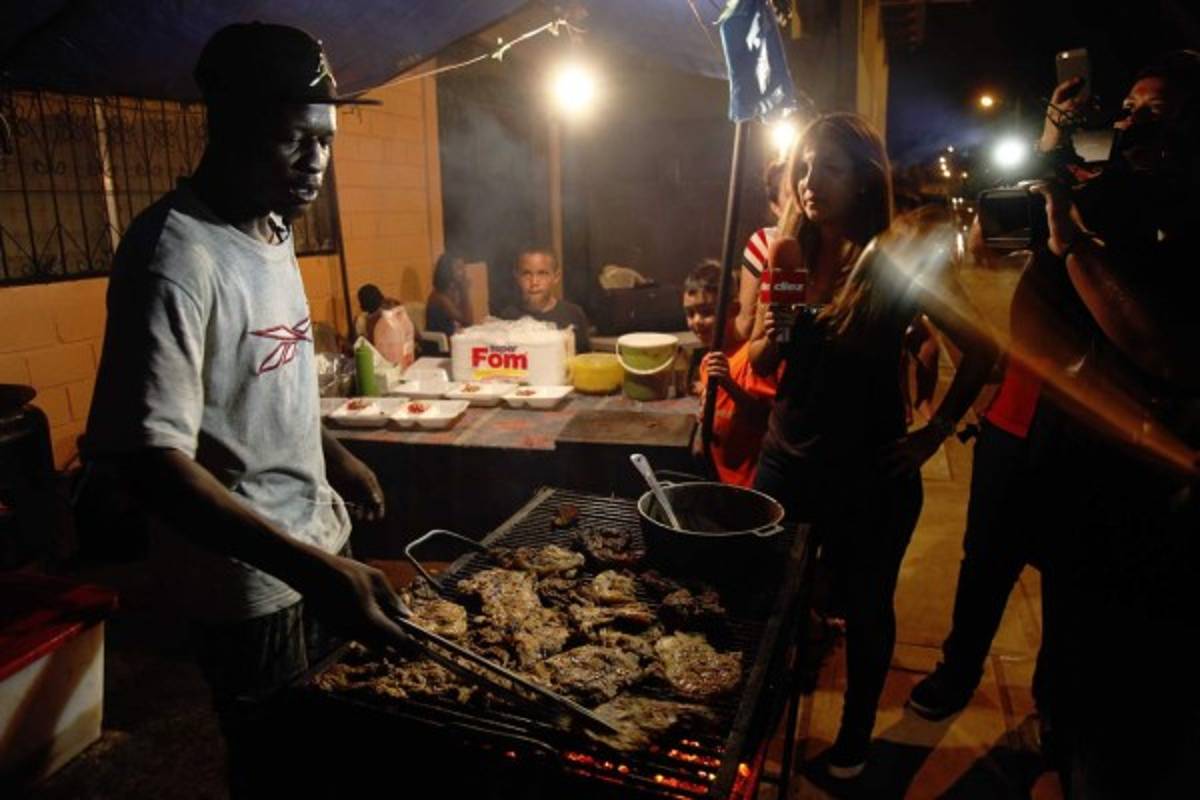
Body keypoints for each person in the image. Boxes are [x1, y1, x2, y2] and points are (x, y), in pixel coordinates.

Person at [83, 23, 411, 796]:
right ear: (229, 125)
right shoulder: (174, 256)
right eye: (294, 140)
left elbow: (269, 378)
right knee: (278, 766)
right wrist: (317, 572)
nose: (316, 164)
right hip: (251, 585)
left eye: (326, 142)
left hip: (318, 548)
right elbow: (150, 463)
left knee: (340, 747)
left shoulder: (271, 228)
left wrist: (335, 455)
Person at [747, 113, 998, 779]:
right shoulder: (788, 252)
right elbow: (764, 363)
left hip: (868, 474)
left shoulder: (892, 258)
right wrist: (773, 330)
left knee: (865, 610)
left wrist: (933, 436)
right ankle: (756, 719)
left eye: (826, 168)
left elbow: (982, 348)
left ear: (863, 179)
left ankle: (854, 744)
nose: (808, 182)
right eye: (803, 167)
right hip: (786, 459)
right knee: (764, 596)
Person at [1001, 51, 1200, 796]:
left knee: (1126, 698)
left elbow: (1167, 350)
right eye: (1127, 107)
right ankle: (1061, 737)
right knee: (1070, 643)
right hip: (1078, 473)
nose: (1128, 119)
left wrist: (1071, 246)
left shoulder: (1183, 218)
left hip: (1147, 499)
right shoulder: (1121, 190)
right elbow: (1046, 204)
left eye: (1154, 110)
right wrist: (1056, 138)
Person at [683, 260, 777, 487]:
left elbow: (765, 420)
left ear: (733, 310)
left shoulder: (752, 359)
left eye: (706, 312)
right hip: (718, 478)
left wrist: (729, 384)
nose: (696, 321)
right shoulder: (708, 360)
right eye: (690, 312)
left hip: (747, 485)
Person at [734, 159, 789, 342]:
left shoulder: (831, 242)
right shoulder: (765, 243)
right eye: (790, 195)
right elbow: (746, 325)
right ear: (775, 207)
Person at [499, 246, 592, 353]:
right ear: (517, 277)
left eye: (542, 273)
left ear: (556, 277)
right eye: (526, 274)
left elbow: (584, 360)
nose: (534, 282)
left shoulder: (573, 314)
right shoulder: (508, 317)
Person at [424, 252, 473, 338]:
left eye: (463, 267)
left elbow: (467, 323)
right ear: (447, 271)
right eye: (459, 268)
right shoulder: (439, 297)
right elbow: (467, 321)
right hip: (439, 346)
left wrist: (462, 291)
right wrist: (465, 291)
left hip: (453, 340)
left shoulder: (453, 292)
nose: (464, 272)